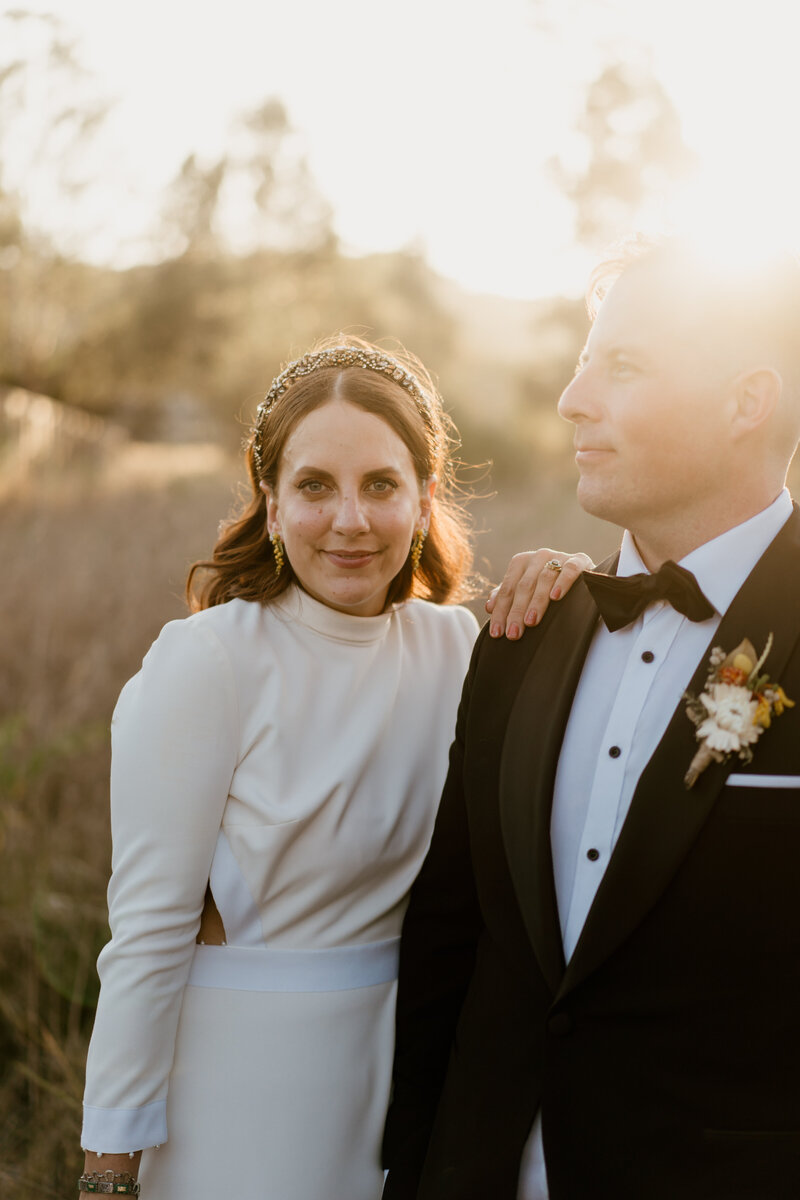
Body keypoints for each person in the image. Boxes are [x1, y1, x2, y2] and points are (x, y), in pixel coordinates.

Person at [78, 335, 589, 1199]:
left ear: (425, 501)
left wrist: (578, 586)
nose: (349, 519)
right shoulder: (207, 662)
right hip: (237, 1088)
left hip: (405, 1084)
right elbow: (149, 936)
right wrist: (106, 1172)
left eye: (381, 485)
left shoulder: (460, 649)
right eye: (314, 485)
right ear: (271, 507)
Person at [382, 238, 800, 1200]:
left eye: (624, 366)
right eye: (581, 363)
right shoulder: (526, 632)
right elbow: (454, 930)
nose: (574, 399)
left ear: (746, 403)